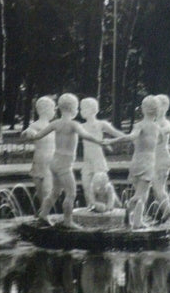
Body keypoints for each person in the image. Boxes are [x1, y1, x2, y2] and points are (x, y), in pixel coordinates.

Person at [27, 93, 109, 228]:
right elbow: (85, 135)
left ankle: (43, 214)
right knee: (71, 193)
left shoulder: (55, 123)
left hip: (54, 163)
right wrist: (99, 141)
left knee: (55, 191)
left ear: (59, 108)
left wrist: (29, 133)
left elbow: (38, 135)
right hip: (64, 165)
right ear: (74, 110)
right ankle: (67, 221)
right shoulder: (73, 124)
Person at [122, 95, 162, 229]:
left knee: (142, 195)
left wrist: (118, 140)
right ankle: (128, 209)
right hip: (148, 163)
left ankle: (137, 221)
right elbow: (160, 140)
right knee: (140, 195)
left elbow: (132, 137)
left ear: (143, 109)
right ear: (157, 111)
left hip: (136, 161)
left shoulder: (139, 125)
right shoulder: (157, 128)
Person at [79, 97, 124, 207]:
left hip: (98, 159)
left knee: (104, 186)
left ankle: (119, 207)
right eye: (80, 108)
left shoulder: (101, 124)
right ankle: (92, 209)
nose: (81, 111)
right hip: (87, 161)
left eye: (84, 108)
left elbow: (119, 135)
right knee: (86, 186)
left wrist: (112, 141)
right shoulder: (81, 126)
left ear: (93, 110)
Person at [20, 96, 56, 206]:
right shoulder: (37, 125)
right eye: (53, 109)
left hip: (46, 159)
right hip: (44, 159)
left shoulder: (52, 125)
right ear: (46, 110)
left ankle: (44, 210)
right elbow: (26, 134)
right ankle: (44, 211)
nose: (54, 112)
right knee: (43, 188)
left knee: (46, 187)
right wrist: (28, 133)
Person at [153, 94, 170, 221]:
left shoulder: (165, 123)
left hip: (162, 160)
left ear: (164, 108)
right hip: (156, 160)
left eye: (157, 106)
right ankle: (164, 215)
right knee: (159, 190)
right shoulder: (155, 122)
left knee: (158, 188)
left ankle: (168, 211)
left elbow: (166, 130)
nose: (155, 109)